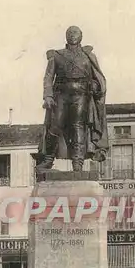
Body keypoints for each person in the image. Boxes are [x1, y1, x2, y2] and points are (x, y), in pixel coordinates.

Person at [35, 26, 109, 173]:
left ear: (81, 36)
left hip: (81, 95)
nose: (72, 35)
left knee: (78, 127)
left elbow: (96, 78)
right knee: (55, 126)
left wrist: (95, 86)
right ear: (65, 36)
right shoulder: (57, 55)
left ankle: (77, 164)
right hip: (61, 95)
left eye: (75, 33)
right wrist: (48, 95)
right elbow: (49, 77)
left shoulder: (88, 56)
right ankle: (48, 159)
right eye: (70, 32)